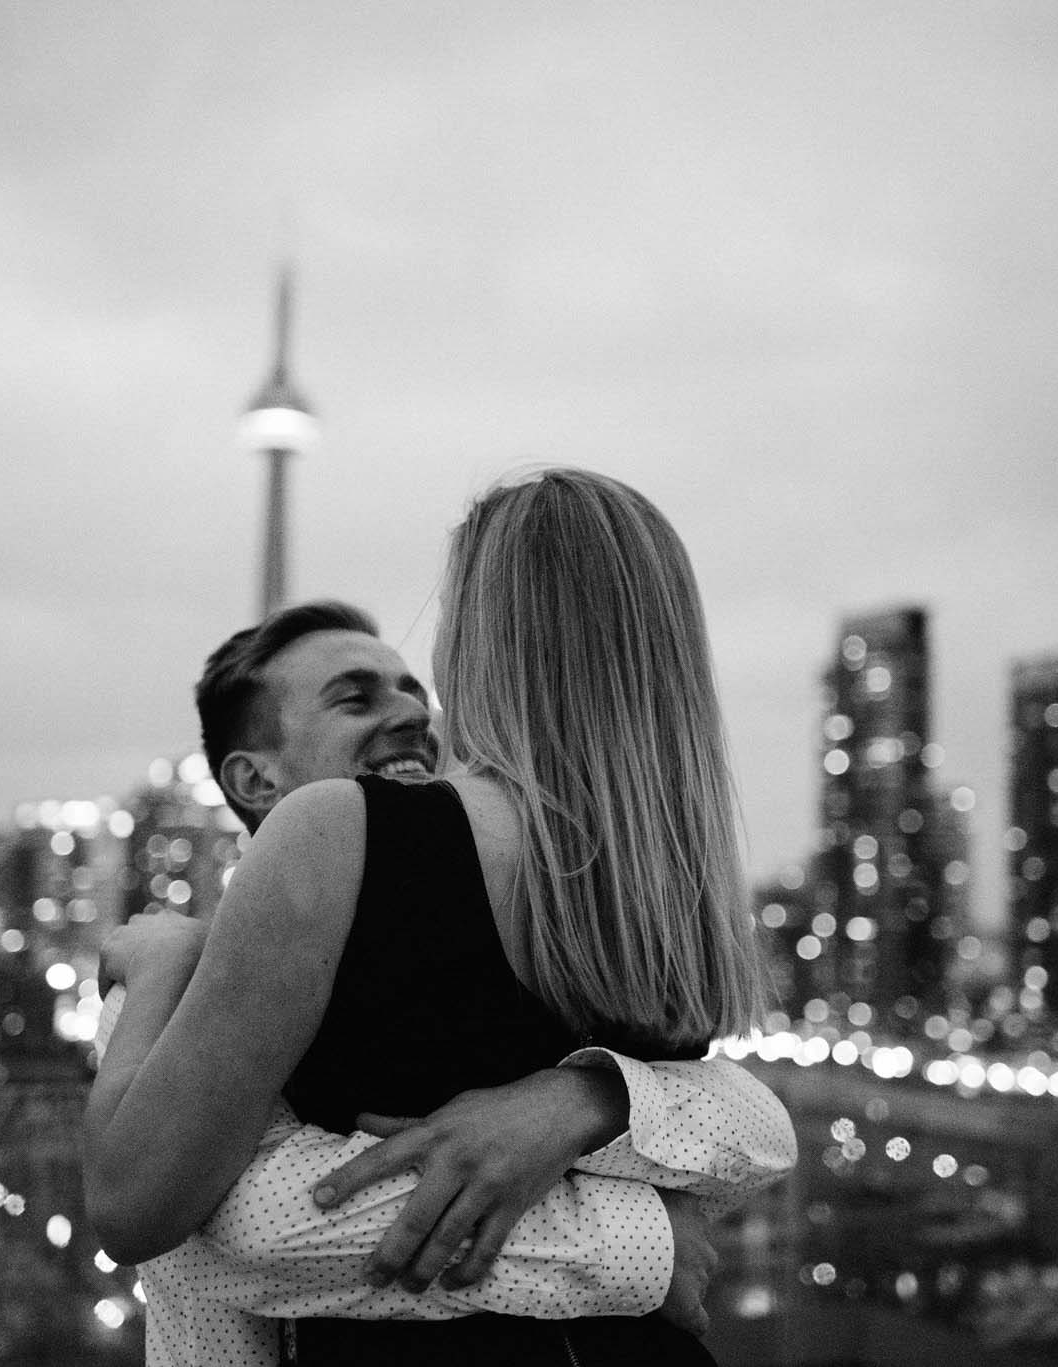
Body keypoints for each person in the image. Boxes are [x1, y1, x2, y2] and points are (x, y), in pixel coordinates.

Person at [88, 472, 780, 1363]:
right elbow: (743, 1121)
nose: (414, 709)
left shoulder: (336, 831)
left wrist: (156, 973)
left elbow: (141, 1207)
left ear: (482, 636)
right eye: (357, 695)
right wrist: (611, 1153)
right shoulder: (662, 878)